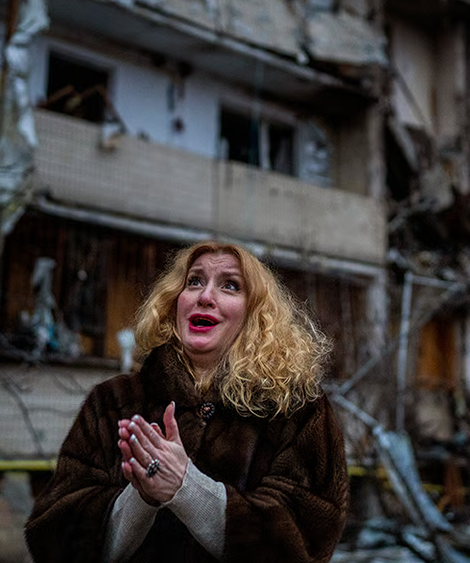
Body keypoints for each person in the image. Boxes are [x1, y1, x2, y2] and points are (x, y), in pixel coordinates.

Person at [25, 241, 350, 563]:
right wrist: (141, 498)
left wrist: (188, 488)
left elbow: (307, 541)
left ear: (255, 314)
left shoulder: (296, 408)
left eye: (230, 286)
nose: (205, 296)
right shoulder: (113, 402)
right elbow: (51, 536)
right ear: (174, 302)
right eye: (194, 281)